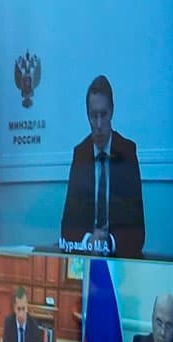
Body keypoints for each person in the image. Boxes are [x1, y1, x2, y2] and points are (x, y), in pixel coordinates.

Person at [60, 75, 146, 256]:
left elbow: (138, 233)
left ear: (112, 112)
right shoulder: (80, 155)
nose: (98, 124)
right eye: (93, 116)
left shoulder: (127, 152)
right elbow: (66, 229)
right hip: (86, 257)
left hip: (119, 259)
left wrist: (108, 242)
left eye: (103, 114)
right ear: (87, 115)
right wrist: (88, 241)